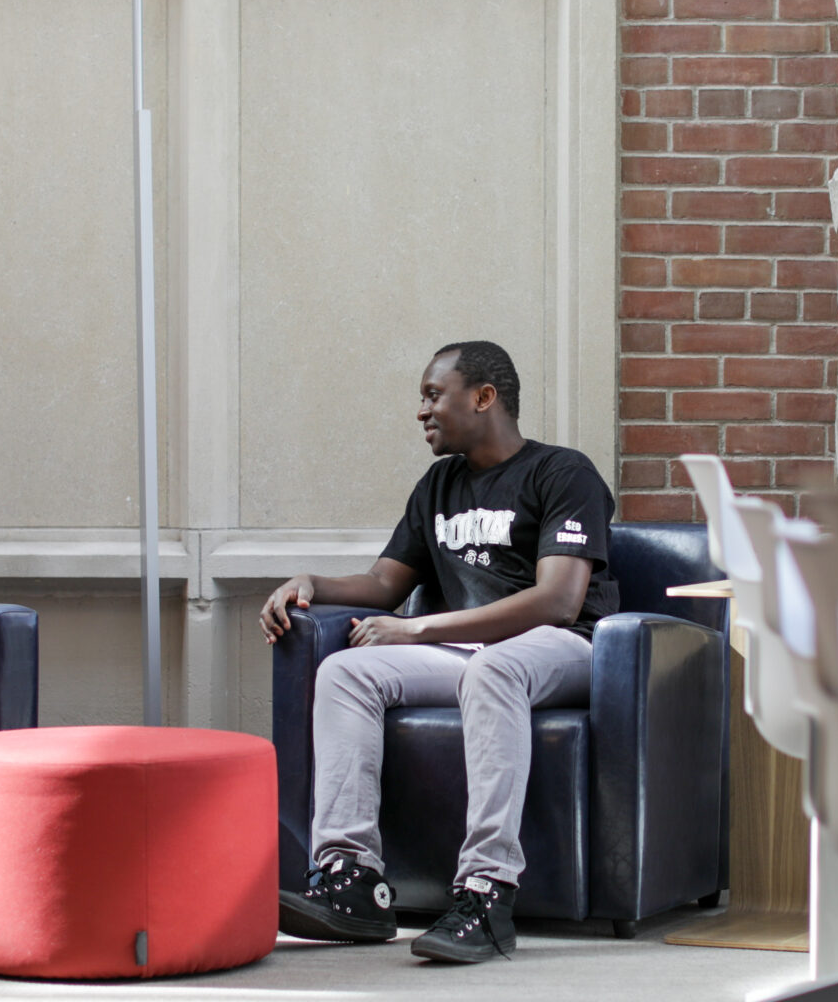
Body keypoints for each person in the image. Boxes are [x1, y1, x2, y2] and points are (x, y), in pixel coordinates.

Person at [264, 341, 617, 965]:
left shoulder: (563, 473)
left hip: (566, 649)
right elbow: (383, 586)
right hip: (469, 652)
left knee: (493, 668)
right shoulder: (439, 485)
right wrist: (313, 584)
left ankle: (487, 890)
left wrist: (419, 630)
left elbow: (559, 600)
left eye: (433, 395)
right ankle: (351, 881)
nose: (422, 411)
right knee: (345, 672)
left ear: (483, 397)